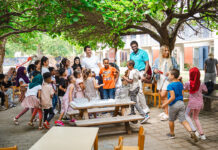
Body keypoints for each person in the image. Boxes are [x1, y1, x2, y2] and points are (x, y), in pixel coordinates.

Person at [161, 69, 198, 142]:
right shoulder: (180, 84)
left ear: (173, 76)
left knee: (171, 120)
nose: (168, 76)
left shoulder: (170, 85)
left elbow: (172, 97)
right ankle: (191, 132)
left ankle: (172, 134)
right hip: (181, 104)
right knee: (183, 120)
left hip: (173, 105)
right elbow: (182, 94)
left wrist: (165, 104)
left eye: (169, 75)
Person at [153, 45, 179, 121]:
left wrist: (170, 72)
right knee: (162, 96)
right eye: (165, 50)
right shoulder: (157, 60)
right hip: (160, 79)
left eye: (168, 50)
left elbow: (177, 69)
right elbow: (154, 67)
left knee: (164, 95)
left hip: (168, 80)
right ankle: (166, 112)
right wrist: (155, 70)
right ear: (162, 52)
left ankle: (168, 113)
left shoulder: (172, 59)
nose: (167, 52)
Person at [184, 67, 208, 140]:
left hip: (191, 103)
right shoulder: (201, 83)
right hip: (199, 103)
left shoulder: (188, 83)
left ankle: (194, 131)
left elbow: (184, 88)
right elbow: (206, 90)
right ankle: (202, 134)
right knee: (196, 118)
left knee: (186, 115)